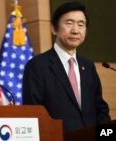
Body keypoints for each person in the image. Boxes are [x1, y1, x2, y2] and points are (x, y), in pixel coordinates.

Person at [22, 1, 111, 132]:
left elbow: (100, 108)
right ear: (54, 28)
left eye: (81, 25)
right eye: (69, 23)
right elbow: (34, 113)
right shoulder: (37, 66)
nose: (75, 30)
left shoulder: (88, 66)